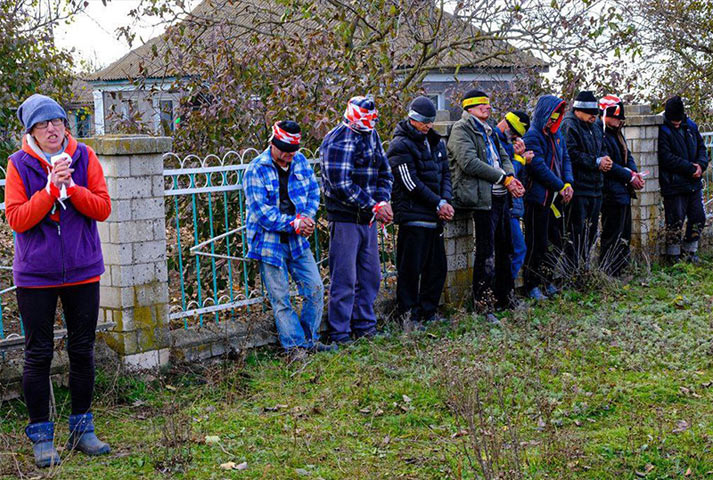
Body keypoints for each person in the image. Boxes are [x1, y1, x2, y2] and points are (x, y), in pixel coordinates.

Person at [6, 94, 112, 467]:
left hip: (83, 270)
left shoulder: (85, 157)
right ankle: (40, 436)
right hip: (36, 275)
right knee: (39, 354)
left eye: (57, 122)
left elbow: (102, 207)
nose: (52, 129)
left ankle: (83, 428)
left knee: (82, 350)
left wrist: (71, 189)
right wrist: (50, 189)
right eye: (42, 124)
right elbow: (17, 219)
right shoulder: (18, 165)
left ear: (66, 125)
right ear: (31, 131)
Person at [244, 120, 331, 361]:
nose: (287, 156)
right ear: (272, 143)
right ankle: (295, 348)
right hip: (268, 242)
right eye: (283, 150)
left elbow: (314, 192)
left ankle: (310, 340)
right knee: (280, 297)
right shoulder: (256, 169)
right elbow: (261, 213)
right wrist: (294, 223)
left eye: (292, 151)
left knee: (314, 288)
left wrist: (307, 217)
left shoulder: (300, 161)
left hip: (297, 241)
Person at [319, 96, 394, 344]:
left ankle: (364, 326)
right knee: (345, 278)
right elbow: (341, 184)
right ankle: (339, 332)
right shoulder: (338, 139)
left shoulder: (371, 135)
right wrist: (373, 204)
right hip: (345, 218)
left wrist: (382, 201)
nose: (367, 124)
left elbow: (385, 172)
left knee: (370, 275)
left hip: (369, 218)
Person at [447, 90, 525, 323]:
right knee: (486, 254)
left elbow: (504, 157)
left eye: (488, 105)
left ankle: (505, 297)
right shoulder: (461, 130)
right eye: (481, 105)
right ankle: (484, 304)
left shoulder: (489, 130)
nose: (487, 108)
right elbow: (470, 163)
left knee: (506, 249)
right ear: (469, 107)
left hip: (501, 197)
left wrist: (511, 177)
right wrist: (504, 179)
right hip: (482, 200)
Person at [386, 96, 453, 329]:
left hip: (435, 217)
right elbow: (410, 183)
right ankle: (408, 316)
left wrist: (445, 200)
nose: (428, 126)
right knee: (410, 270)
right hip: (413, 216)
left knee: (437, 268)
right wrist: (437, 203)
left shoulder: (436, 142)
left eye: (431, 121)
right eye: (424, 121)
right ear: (412, 119)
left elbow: (445, 173)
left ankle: (428, 311)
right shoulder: (400, 145)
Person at [521, 95, 574, 300]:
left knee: (556, 242)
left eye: (557, 116)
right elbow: (538, 167)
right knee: (537, 243)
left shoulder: (557, 135)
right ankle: (531, 285)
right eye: (551, 117)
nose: (553, 121)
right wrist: (560, 186)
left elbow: (565, 159)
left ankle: (547, 280)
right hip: (538, 200)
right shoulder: (532, 136)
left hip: (556, 199)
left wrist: (568, 183)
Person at [561, 90, 612, 270]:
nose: (594, 116)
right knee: (576, 232)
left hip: (596, 187)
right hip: (579, 188)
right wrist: (595, 162)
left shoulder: (596, 127)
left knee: (590, 232)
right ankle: (572, 270)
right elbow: (570, 154)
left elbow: (602, 147)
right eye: (590, 113)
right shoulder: (569, 126)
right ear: (578, 110)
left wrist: (605, 159)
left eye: (596, 113)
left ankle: (583, 267)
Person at [658, 95, 709, 263]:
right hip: (674, 184)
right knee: (675, 222)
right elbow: (666, 157)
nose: (677, 123)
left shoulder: (691, 126)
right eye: (674, 121)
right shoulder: (662, 129)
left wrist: (701, 166)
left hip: (693, 184)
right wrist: (690, 168)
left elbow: (702, 149)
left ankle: (690, 252)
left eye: (679, 120)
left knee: (698, 217)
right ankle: (672, 257)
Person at [598, 95, 645, 275]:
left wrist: (634, 172)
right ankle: (609, 271)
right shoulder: (601, 135)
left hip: (623, 191)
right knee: (612, 234)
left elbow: (627, 156)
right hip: (610, 191)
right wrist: (628, 176)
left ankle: (622, 267)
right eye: (616, 117)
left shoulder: (617, 133)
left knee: (624, 233)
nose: (619, 121)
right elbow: (610, 165)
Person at [495, 111, 533, 280]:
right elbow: (507, 176)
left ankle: (505, 291)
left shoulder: (506, 143)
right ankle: (505, 290)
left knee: (513, 250)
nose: (516, 139)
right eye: (515, 135)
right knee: (517, 249)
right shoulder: (498, 142)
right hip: (506, 205)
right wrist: (519, 159)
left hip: (513, 206)